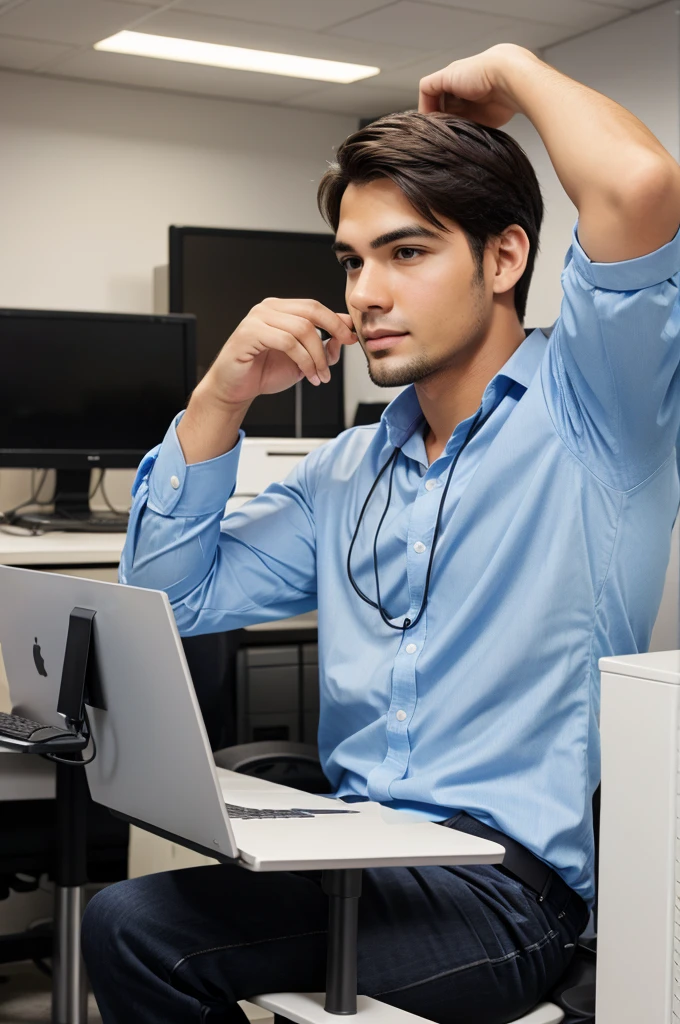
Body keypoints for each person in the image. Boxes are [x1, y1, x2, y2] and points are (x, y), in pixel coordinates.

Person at [82, 43, 680, 1024]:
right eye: (352, 262)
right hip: (352, 852)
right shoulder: (347, 471)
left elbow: (638, 183)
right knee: (158, 901)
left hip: (499, 895)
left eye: (405, 253)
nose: (365, 292)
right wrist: (218, 398)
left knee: (133, 927)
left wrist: (517, 74)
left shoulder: (594, 419)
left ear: (503, 257)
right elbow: (168, 598)